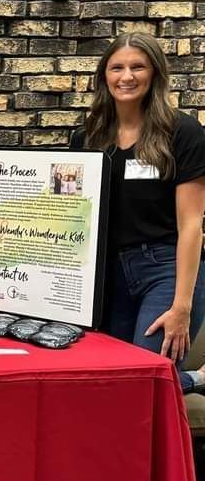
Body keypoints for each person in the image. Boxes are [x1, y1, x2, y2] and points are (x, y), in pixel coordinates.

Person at [70, 32, 205, 394]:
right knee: (107, 379)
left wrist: (182, 306)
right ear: (104, 76)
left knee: (140, 378)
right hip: (106, 276)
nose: (126, 76)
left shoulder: (184, 133)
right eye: (117, 68)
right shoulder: (86, 137)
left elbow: (192, 225)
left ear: (154, 74)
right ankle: (192, 379)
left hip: (163, 269)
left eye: (137, 67)